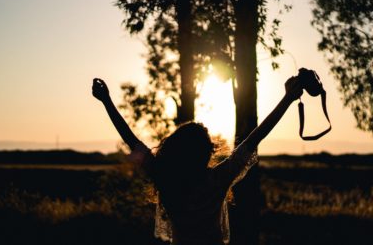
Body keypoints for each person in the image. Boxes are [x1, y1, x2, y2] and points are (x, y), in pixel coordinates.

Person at [92, 76, 303, 245]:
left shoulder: (165, 178)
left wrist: (106, 100)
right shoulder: (218, 179)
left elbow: (130, 139)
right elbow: (256, 137)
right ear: (206, 153)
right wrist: (287, 98)